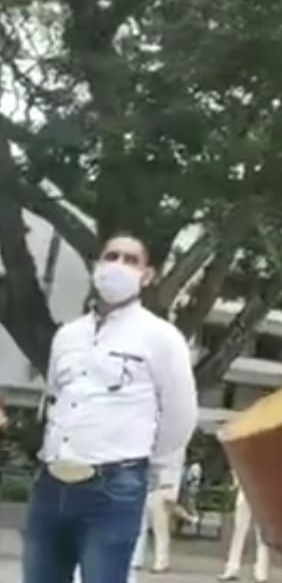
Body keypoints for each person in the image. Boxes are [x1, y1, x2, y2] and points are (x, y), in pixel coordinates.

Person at [23, 232, 199, 583]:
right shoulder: (68, 336)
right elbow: (55, 398)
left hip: (114, 487)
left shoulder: (162, 338)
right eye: (111, 256)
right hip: (51, 484)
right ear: (96, 266)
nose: (118, 265)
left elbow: (180, 416)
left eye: (131, 260)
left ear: (147, 276)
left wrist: (144, 467)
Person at [219, 473, 270, 582]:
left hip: (261, 489)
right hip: (247, 488)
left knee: (261, 533)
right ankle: (232, 567)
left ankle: (261, 571)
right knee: (239, 531)